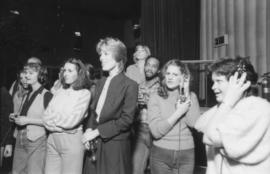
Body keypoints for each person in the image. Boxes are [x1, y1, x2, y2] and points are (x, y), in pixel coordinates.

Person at [195, 57, 270, 174]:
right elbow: (199, 124)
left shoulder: (257, 108)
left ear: (239, 82)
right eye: (213, 82)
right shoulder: (228, 107)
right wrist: (227, 102)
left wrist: (228, 102)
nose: (213, 87)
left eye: (219, 81)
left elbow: (209, 137)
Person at [82, 37, 138, 174]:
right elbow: (94, 112)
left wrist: (97, 132)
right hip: (95, 144)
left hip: (115, 146)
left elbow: (126, 120)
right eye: (101, 54)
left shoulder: (130, 85)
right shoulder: (101, 82)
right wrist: (89, 130)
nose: (101, 58)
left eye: (106, 54)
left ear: (119, 57)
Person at [148, 59, 200, 174]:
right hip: (161, 154)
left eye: (175, 74)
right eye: (168, 73)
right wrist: (178, 112)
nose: (170, 77)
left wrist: (185, 93)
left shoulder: (191, 96)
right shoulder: (155, 96)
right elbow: (155, 131)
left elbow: (193, 123)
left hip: (186, 154)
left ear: (184, 77)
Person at [43, 58, 91, 174]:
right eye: (64, 70)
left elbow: (71, 121)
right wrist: (55, 127)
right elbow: (45, 115)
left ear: (79, 73)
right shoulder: (59, 90)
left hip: (71, 142)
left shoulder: (84, 93)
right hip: (53, 139)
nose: (65, 74)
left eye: (70, 71)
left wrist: (52, 121)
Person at [8, 63, 52, 174]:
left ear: (41, 75)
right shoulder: (28, 93)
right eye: (26, 73)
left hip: (37, 140)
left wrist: (28, 120)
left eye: (31, 73)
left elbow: (51, 121)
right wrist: (15, 116)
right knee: (17, 172)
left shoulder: (47, 95)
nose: (27, 76)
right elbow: (27, 114)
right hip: (20, 137)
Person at [132, 56, 161, 174]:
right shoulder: (140, 85)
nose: (149, 68)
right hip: (140, 130)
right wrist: (136, 104)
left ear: (158, 70)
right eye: (148, 65)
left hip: (156, 133)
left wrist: (150, 101)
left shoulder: (162, 86)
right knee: (136, 169)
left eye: (154, 66)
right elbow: (134, 109)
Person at [3, 69, 29, 159]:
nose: (23, 80)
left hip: (26, 132)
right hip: (13, 131)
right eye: (21, 78)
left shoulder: (34, 93)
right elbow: (9, 106)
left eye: (26, 78)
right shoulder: (16, 87)